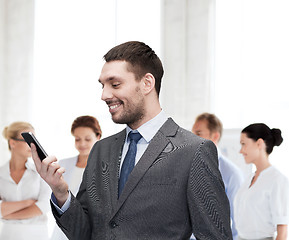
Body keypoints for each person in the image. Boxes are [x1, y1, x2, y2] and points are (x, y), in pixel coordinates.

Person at [31, 41, 232, 239]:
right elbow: (84, 233)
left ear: (147, 83)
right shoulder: (101, 149)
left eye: (115, 84)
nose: (104, 95)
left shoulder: (193, 150)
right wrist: (60, 192)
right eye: (102, 85)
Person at [0, 121, 50, 240]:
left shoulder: (41, 172)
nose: (33, 145)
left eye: (34, 140)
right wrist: (28, 203)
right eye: (28, 140)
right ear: (12, 143)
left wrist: (6, 213)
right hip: (8, 235)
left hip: (37, 234)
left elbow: (44, 206)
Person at [191, 113, 244, 240]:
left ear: (215, 136)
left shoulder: (231, 174)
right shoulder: (186, 167)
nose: (192, 138)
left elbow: (238, 222)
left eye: (198, 133)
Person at [234, 123, 289, 240]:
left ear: (259, 143)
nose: (241, 151)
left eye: (244, 144)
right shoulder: (249, 179)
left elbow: (282, 232)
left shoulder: (277, 180)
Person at [51, 115, 102, 240]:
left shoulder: (104, 167)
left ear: (98, 137)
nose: (82, 144)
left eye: (87, 139)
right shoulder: (63, 164)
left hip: (88, 229)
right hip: (62, 229)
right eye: (77, 139)